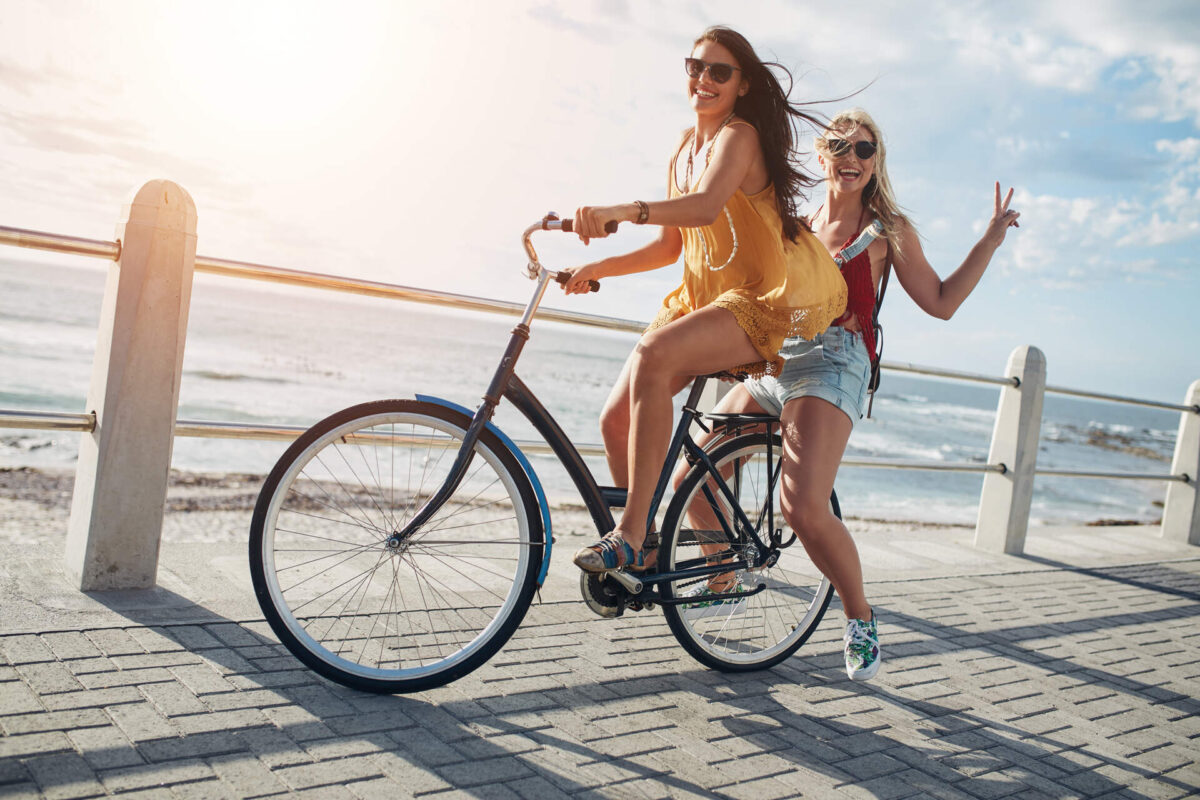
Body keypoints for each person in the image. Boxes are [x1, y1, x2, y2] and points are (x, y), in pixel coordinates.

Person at [686, 107, 1021, 682]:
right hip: (780, 360)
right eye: (840, 146)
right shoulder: (796, 223)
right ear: (823, 156)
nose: (852, 158)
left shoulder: (887, 230)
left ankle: (859, 616)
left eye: (865, 150)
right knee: (695, 469)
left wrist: (989, 241)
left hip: (835, 365)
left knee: (801, 505)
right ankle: (724, 574)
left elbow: (941, 302)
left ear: (875, 163)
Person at [559, 26, 848, 574]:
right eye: (695, 67)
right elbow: (671, 246)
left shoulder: (739, 136)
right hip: (697, 299)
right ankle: (698, 557)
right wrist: (597, 267)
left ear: (742, 86)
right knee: (614, 421)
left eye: (719, 71)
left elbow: (705, 208)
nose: (703, 79)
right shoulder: (683, 149)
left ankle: (630, 533)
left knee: (652, 357)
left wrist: (621, 209)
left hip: (754, 300)